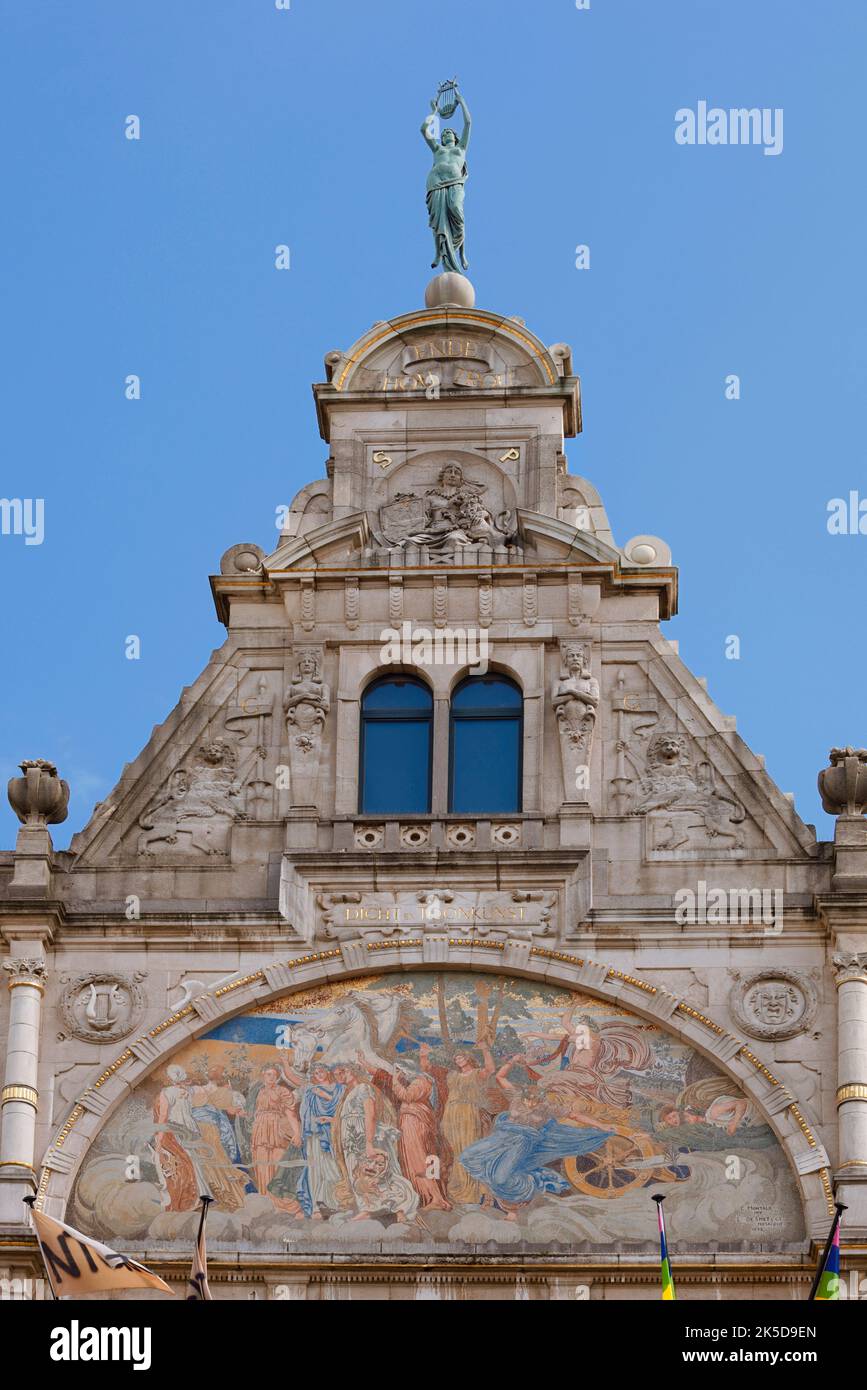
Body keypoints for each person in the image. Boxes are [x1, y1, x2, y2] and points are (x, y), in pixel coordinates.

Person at [459, 1056, 614, 1219]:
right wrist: (513, 1060)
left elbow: (574, 1115)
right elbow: (500, 1076)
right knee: (468, 1157)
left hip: (523, 1141)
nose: (531, 1104)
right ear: (524, 1096)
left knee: (500, 1178)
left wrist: (601, 1126)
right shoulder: (516, 1097)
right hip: (503, 1136)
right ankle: (497, 1188)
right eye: (528, 1100)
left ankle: (533, 1184)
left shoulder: (546, 1107)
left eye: (535, 1101)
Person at [359, 1052, 451, 1211]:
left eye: (399, 1071)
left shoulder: (422, 1082)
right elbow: (385, 1078)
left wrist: (395, 1081)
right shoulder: (415, 1080)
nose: (397, 1074)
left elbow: (407, 1096)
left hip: (415, 1124)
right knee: (418, 1160)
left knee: (421, 1160)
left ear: (407, 1070)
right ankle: (426, 1197)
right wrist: (364, 1063)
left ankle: (436, 1198)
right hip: (411, 1123)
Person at [331, 1063, 417, 1223]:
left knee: (365, 1171)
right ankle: (367, 1208)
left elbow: (370, 1115)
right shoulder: (349, 1092)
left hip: (360, 1135)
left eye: (346, 1071)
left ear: (355, 1073)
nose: (343, 1075)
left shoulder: (363, 1088)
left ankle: (379, 1210)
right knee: (355, 1172)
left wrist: (369, 1143)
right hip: (350, 1136)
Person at [278, 1060, 345, 1218]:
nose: (319, 1075)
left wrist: (325, 1096)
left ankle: (335, 1202)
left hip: (333, 1134)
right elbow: (294, 1084)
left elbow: (343, 1108)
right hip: (314, 1136)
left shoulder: (341, 1089)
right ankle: (315, 1205)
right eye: (315, 1073)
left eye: (321, 1071)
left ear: (328, 1072)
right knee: (314, 1169)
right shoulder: (309, 1089)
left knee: (333, 1167)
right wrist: (286, 1065)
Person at [434, 1041, 495, 1205]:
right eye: (456, 1058)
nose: (458, 1060)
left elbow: (490, 1070)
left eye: (461, 1057)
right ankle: (456, 1188)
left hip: (468, 1114)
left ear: (468, 1058)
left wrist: (485, 1049)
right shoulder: (452, 1076)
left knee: (467, 1149)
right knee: (452, 1151)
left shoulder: (476, 1073)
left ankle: (472, 1191)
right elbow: (428, 1070)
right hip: (450, 1114)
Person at [420, 88, 471, 274]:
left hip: (454, 182)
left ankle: (462, 253)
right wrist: (434, 112)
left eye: (449, 132)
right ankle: (438, 252)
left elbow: (468, 122)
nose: (446, 133)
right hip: (435, 182)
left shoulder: (461, 148)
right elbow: (424, 130)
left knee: (457, 213)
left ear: (455, 137)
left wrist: (460, 100)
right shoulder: (438, 150)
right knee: (438, 220)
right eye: (444, 133)